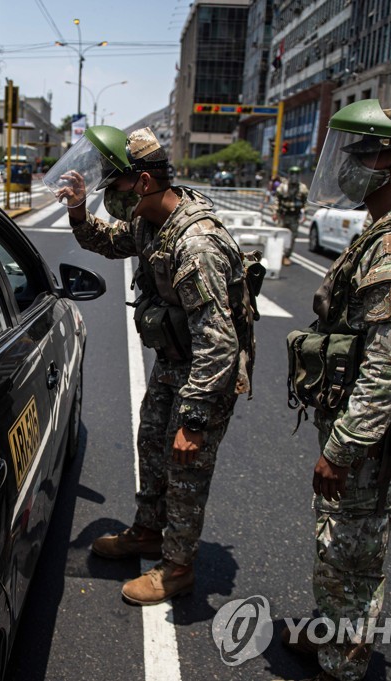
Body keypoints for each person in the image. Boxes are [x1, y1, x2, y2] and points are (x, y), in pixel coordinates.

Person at [49, 126, 260, 605]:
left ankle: (178, 566)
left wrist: (196, 419)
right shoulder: (150, 222)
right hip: (172, 361)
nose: (112, 199)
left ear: (142, 182)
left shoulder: (196, 244)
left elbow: (219, 342)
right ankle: (148, 531)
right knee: (152, 449)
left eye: (115, 189)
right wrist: (79, 208)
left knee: (185, 465)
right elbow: (106, 241)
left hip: (206, 373)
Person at [283, 100, 391, 680]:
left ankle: (342, 663)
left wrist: (343, 447)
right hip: (361, 430)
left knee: (353, 553)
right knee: (338, 542)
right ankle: (330, 633)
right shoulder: (383, 231)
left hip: (371, 441)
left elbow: (389, 364)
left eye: (366, 151)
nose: (352, 163)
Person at [272, 165, 309, 266]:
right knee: (279, 235)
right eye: (292, 174)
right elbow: (277, 200)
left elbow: (306, 202)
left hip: (294, 217)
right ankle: (277, 255)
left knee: (292, 237)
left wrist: (305, 214)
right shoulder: (282, 187)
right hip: (282, 216)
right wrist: (275, 213)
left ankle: (286, 256)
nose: (294, 176)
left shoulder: (302, 188)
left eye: (296, 174)